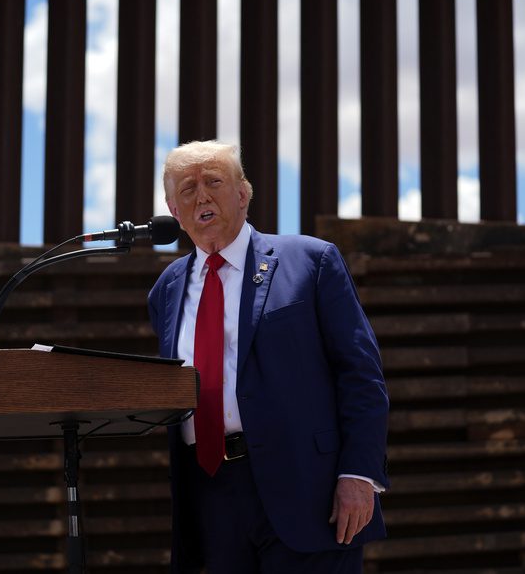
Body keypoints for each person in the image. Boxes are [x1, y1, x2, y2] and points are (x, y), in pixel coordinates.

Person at [147, 140, 390, 573]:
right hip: (210, 496)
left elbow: (360, 374)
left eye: (214, 182)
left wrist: (358, 474)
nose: (201, 196)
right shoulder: (166, 288)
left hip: (308, 491)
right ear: (173, 209)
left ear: (243, 194)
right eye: (187, 189)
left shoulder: (311, 261)